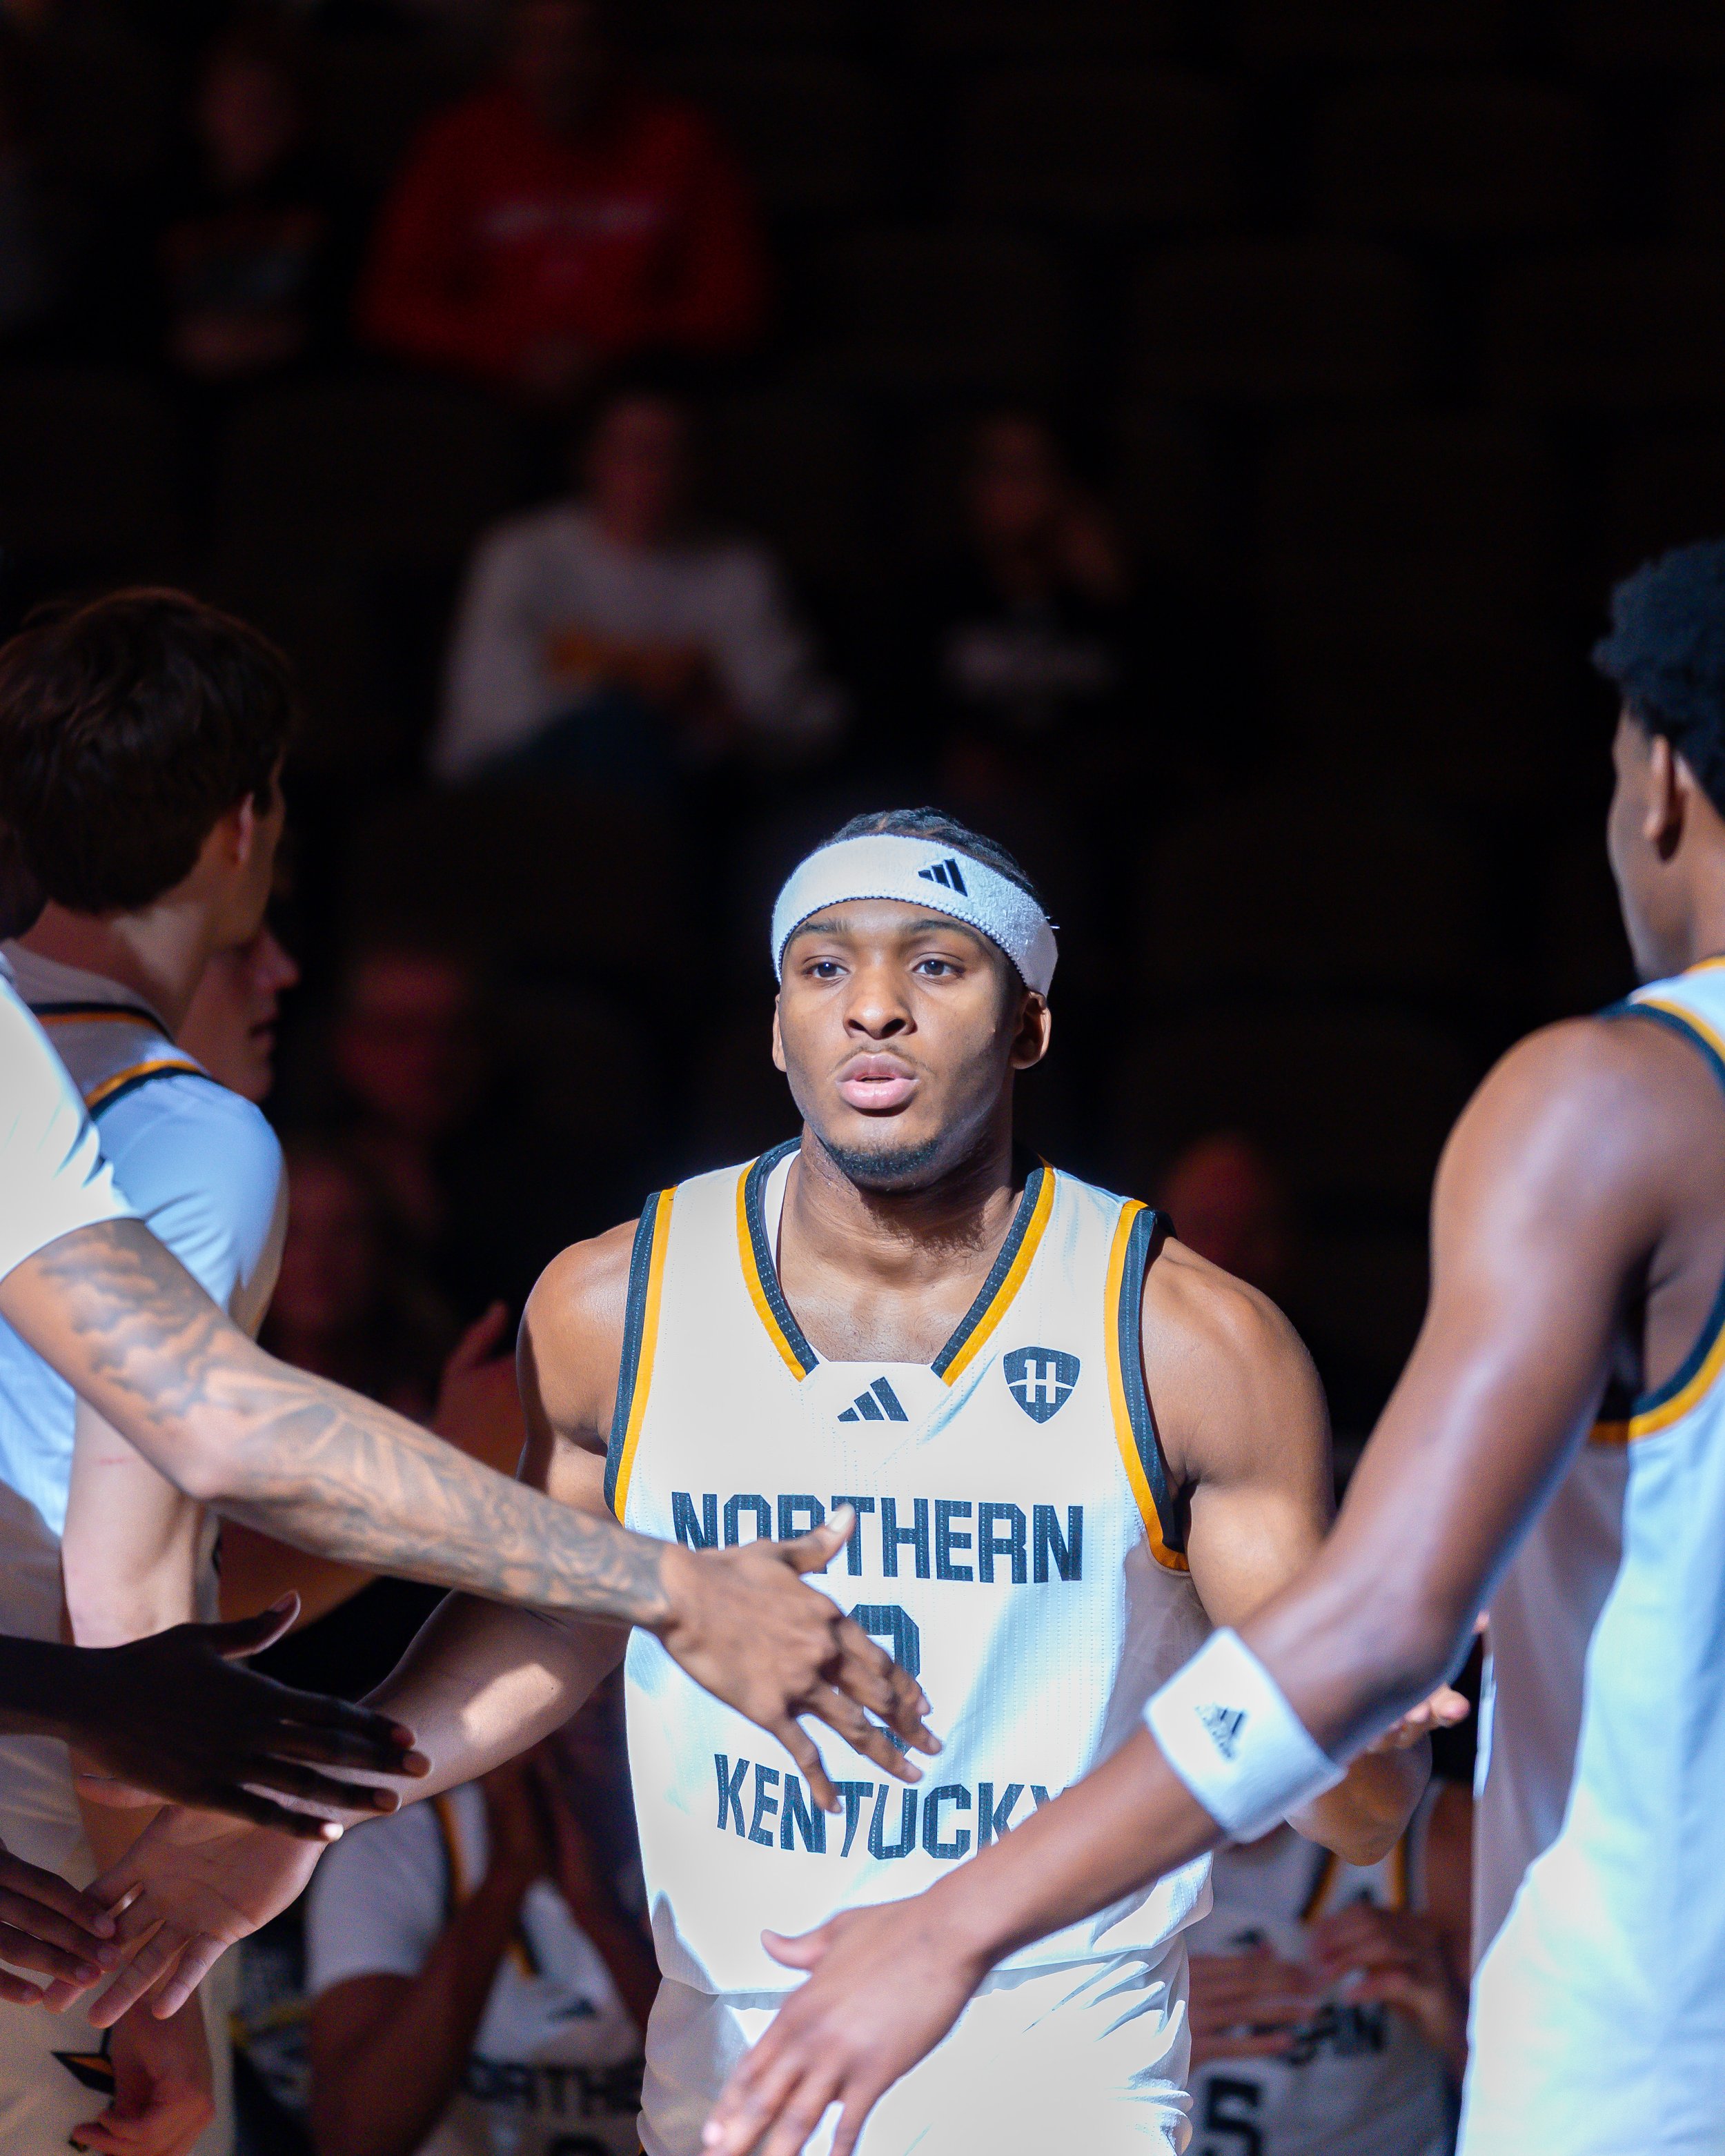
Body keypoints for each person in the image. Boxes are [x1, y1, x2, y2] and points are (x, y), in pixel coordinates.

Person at [92, 807, 1461, 2152]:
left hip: (1055, 2060)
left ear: (1029, 1023)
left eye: (936, 962)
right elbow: (560, 1613)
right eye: (824, 965)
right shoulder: (609, 1302)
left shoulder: (1186, 1336)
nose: (874, 1003)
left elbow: (1356, 1809)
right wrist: (319, 1805)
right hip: (729, 2061)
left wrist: (1361, 1732)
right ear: (773, 1024)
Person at [697, 541, 1725, 2156]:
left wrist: (948, 1924)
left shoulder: (1622, 1100)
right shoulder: (630, 1291)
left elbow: (1379, 1630)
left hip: (1659, 2049)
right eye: (826, 969)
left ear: (1659, 781)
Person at [0, 600, 928, 2010]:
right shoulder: (173, 1121)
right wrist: (667, 1578)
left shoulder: (31, 1066)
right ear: (244, 826)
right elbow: (180, 1494)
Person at [433, 376, 841, 786]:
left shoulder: (737, 567)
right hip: (523, 787)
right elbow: (486, 713)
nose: (647, 473)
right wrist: (644, 693)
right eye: (630, 452)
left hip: (692, 789)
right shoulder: (521, 553)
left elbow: (802, 721)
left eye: (665, 455)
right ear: (591, 457)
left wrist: (715, 713)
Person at [358, 0, 767, 399]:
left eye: (578, 39)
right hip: (481, 395)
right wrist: (508, 351)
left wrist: (608, 345)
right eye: (538, 40)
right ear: (509, 49)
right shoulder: (456, 142)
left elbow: (734, 303)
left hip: (639, 393)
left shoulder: (681, 142)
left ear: (609, 46)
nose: (559, 62)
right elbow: (394, 306)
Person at [307, 1723, 656, 2156]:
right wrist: (504, 1882)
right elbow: (354, 2139)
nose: (602, 1698)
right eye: (586, 1682)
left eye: (619, 1673)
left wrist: (598, 1914)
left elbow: (733, 2092)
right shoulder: (396, 1849)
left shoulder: (704, 1844)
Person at [1185, 1781, 1470, 2156]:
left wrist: (1454, 2021)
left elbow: (1547, 2100)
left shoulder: (1442, 1835)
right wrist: (1114, 2042)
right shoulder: (1093, 1827)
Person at [150, 13, 351, 385]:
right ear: (199, 108)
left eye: (269, 103)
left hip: (300, 391)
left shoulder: (338, 203)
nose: (252, 118)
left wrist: (290, 339)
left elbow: (358, 311)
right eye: (234, 101)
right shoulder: (152, 202)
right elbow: (107, 310)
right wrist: (174, 342)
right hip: (171, 389)